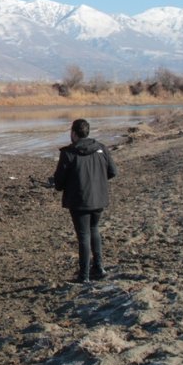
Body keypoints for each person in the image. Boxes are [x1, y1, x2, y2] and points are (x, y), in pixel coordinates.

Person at [52, 118, 118, 284]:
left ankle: (84, 275)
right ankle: (98, 267)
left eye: (71, 132)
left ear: (74, 133)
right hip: (98, 198)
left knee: (84, 235)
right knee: (93, 229)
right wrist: (97, 181)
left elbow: (59, 183)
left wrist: (65, 183)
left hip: (79, 200)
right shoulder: (101, 148)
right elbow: (112, 171)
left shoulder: (68, 153)